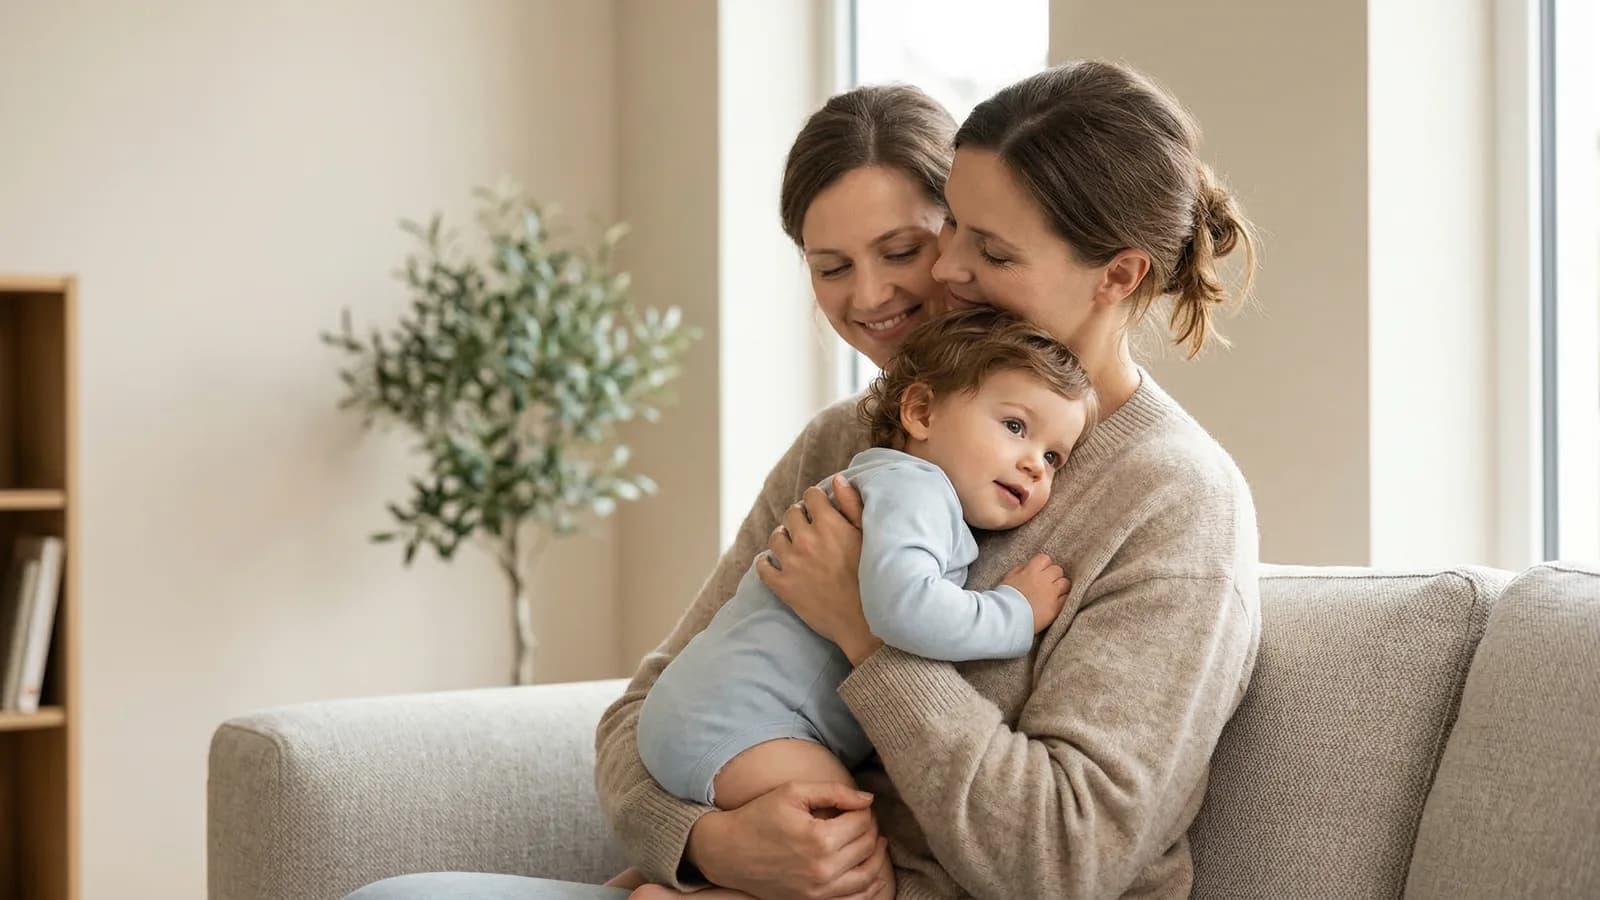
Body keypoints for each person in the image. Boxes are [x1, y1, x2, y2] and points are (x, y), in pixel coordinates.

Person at [353, 56, 1262, 900]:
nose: (945, 272)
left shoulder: (1173, 501)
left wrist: (870, 632)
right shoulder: (848, 439)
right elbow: (648, 709)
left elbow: (1067, 853)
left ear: (1121, 274)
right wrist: (705, 841)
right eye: (953, 235)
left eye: (986, 248)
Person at [607, 307, 1095, 898]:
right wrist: (1013, 611)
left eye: (1053, 458)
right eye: (1016, 427)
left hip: (705, 714)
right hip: (747, 725)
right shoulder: (916, 491)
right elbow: (902, 611)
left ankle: (660, 881)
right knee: (854, 863)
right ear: (921, 412)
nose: (1033, 464)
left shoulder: (884, 482)